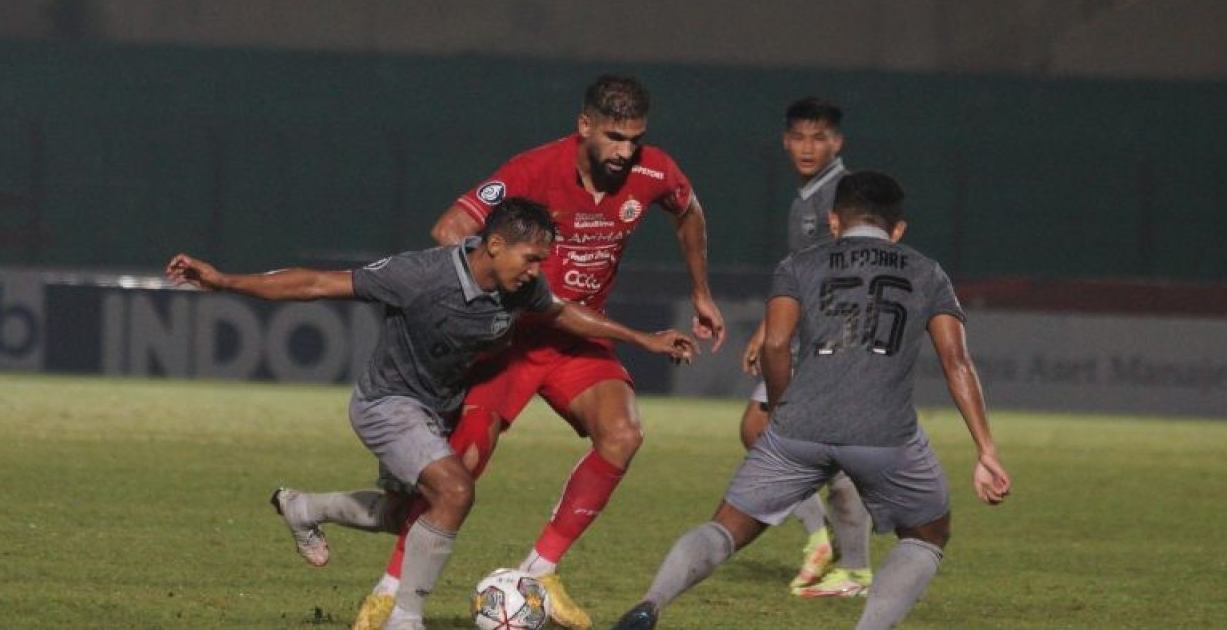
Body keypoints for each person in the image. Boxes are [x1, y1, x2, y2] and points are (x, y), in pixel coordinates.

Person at [163, 198, 699, 630]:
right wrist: (225, 282)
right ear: (493, 244)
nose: (538, 270)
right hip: (388, 404)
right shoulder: (419, 275)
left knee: (408, 515)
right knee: (456, 491)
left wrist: (641, 339)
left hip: (435, 408)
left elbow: (561, 313)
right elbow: (318, 283)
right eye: (531, 258)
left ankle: (303, 507)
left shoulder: (523, 287)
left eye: (541, 260)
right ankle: (406, 617)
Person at [351, 75, 727, 630]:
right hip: (511, 341)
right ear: (584, 127)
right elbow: (450, 228)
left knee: (622, 434)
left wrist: (700, 291)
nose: (626, 152)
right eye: (615, 137)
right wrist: (488, 292)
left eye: (635, 139)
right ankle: (391, 590)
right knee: (459, 472)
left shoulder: (654, 172)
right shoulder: (531, 171)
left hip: (578, 339)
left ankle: (540, 570)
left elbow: (689, 211)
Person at [610, 170, 1012, 630]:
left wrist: (782, 414)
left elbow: (776, 344)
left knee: (726, 527)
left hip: (797, 429)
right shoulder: (926, 272)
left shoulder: (800, 264)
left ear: (834, 221)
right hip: (884, 436)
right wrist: (986, 450)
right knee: (927, 535)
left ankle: (650, 605)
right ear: (897, 229)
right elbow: (956, 362)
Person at [738, 97, 873, 597]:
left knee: (823, 448)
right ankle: (822, 538)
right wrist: (769, 329)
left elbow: (850, 266)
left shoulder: (840, 193)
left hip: (830, 337)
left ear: (837, 142)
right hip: (805, 333)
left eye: (820, 138)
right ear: (785, 140)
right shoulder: (811, 194)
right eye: (799, 136)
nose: (808, 146)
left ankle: (852, 566)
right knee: (759, 428)